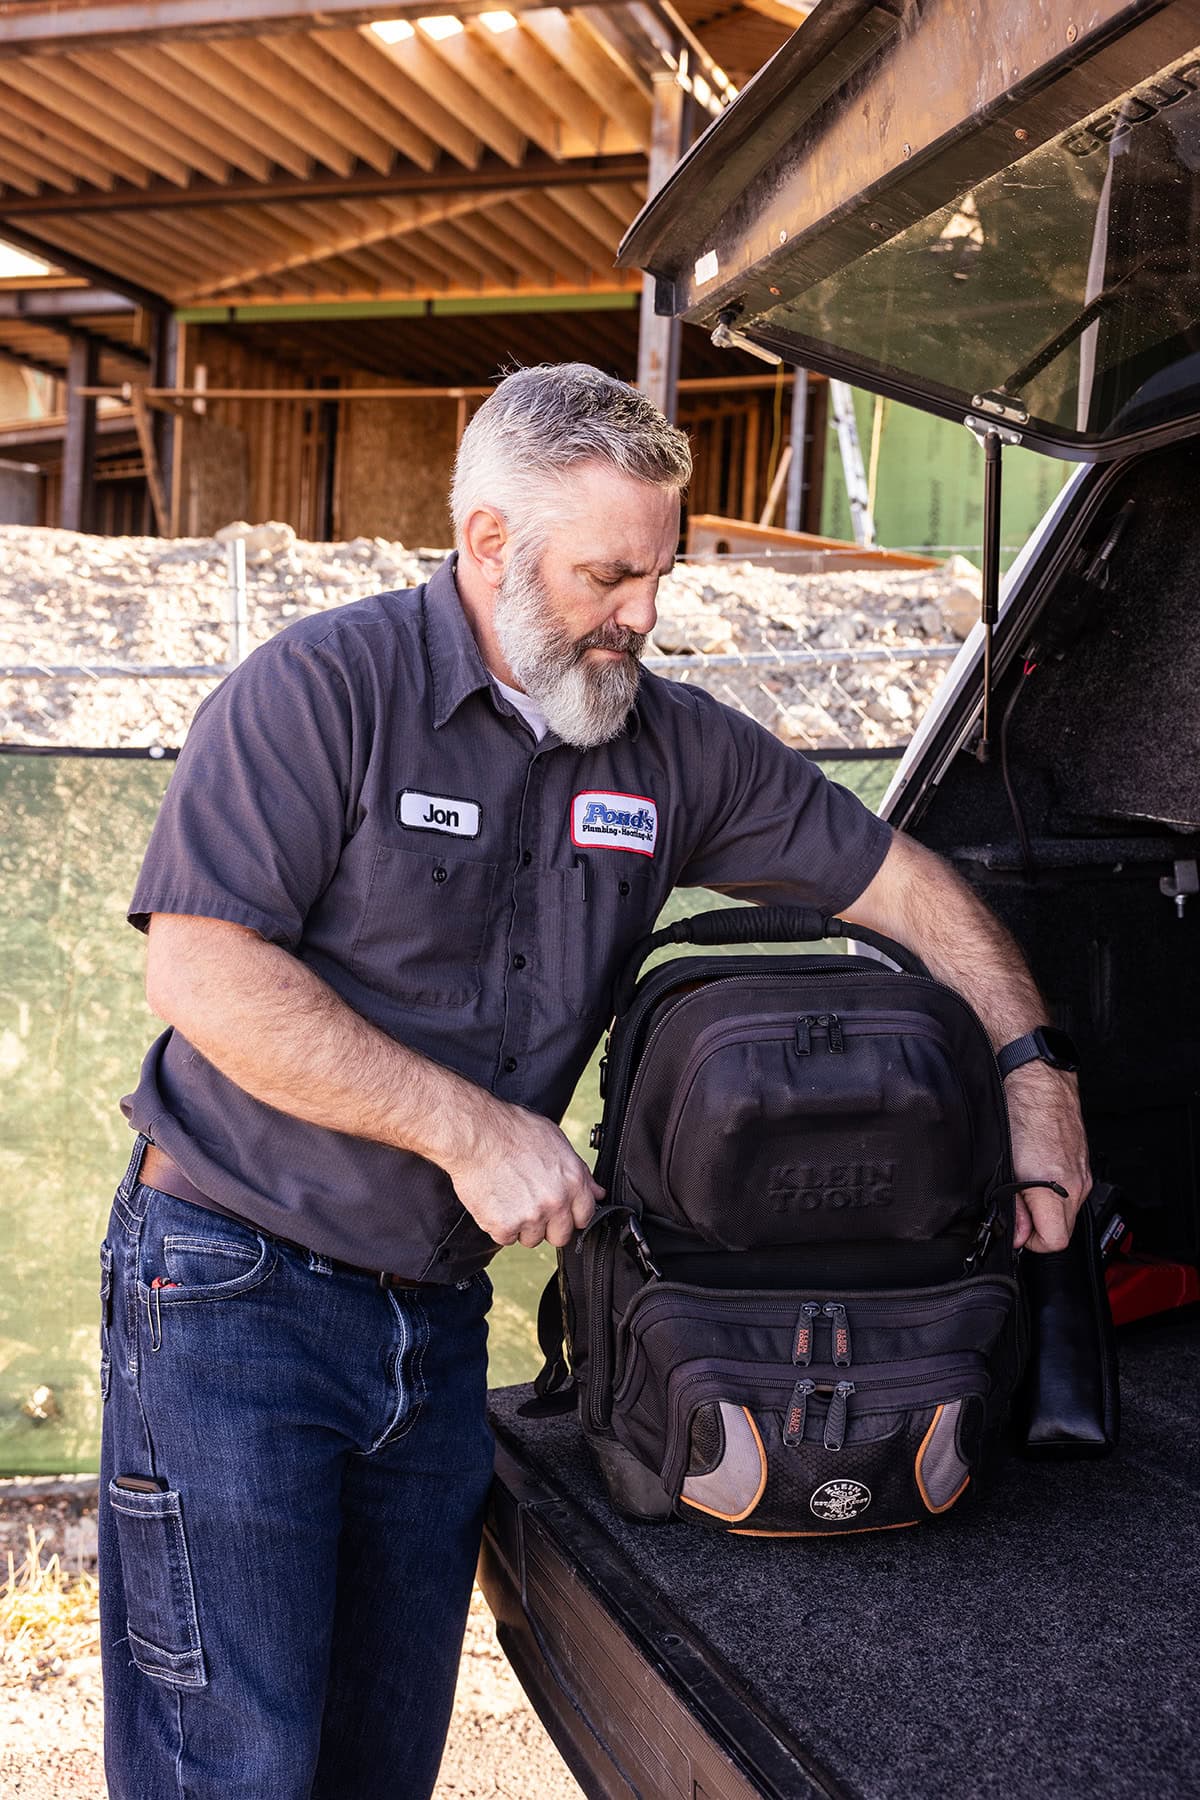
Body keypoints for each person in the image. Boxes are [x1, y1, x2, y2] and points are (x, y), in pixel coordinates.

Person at [98, 362, 1090, 1799]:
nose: (641, 613)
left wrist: (1029, 1072)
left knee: (378, 1764)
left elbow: (912, 891)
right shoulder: (320, 691)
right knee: (233, 1770)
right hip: (229, 1297)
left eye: (658, 574)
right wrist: (470, 1129)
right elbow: (204, 976)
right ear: (490, 542)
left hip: (432, 1332)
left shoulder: (665, 741)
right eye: (607, 573)